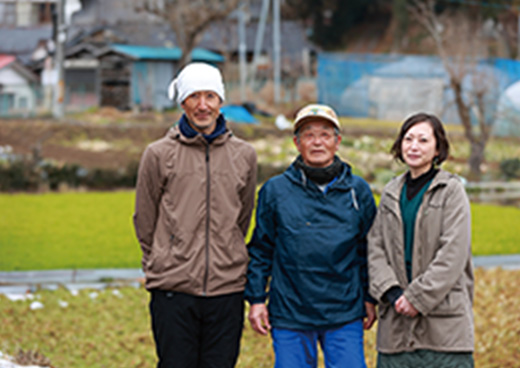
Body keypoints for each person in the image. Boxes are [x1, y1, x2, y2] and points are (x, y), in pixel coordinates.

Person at [133, 62, 257, 368]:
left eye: (210, 96)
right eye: (194, 97)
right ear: (182, 102)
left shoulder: (244, 155)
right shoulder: (158, 154)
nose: (203, 105)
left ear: (221, 101)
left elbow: (243, 216)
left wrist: (226, 251)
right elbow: (145, 217)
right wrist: (161, 259)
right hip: (173, 288)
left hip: (226, 288)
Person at [245, 104, 377, 368]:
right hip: (290, 312)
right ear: (297, 142)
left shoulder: (358, 191)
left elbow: (369, 250)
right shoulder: (275, 190)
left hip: (345, 311)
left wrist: (370, 298)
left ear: (337, 142)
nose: (317, 142)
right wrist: (257, 299)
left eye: (325, 134)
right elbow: (261, 249)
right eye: (308, 135)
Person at [368, 112, 474, 368]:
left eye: (423, 140)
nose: (414, 146)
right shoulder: (391, 192)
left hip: (445, 332)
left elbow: (453, 253)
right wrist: (392, 293)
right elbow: (375, 248)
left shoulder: (451, 190)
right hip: (396, 327)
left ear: (438, 148)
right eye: (408, 139)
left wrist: (417, 298)